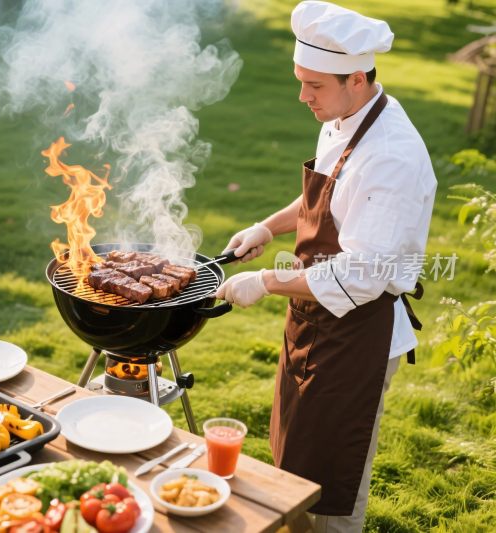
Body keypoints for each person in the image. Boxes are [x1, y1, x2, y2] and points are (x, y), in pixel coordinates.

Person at [215, 1, 436, 531]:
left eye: (314, 85)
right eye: (301, 81)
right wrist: (268, 228)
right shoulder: (344, 115)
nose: (302, 96)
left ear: (356, 78)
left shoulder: (393, 157)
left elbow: (362, 275)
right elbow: (324, 202)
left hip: (359, 335)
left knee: (334, 484)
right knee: (295, 461)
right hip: (314, 317)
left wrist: (267, 281)